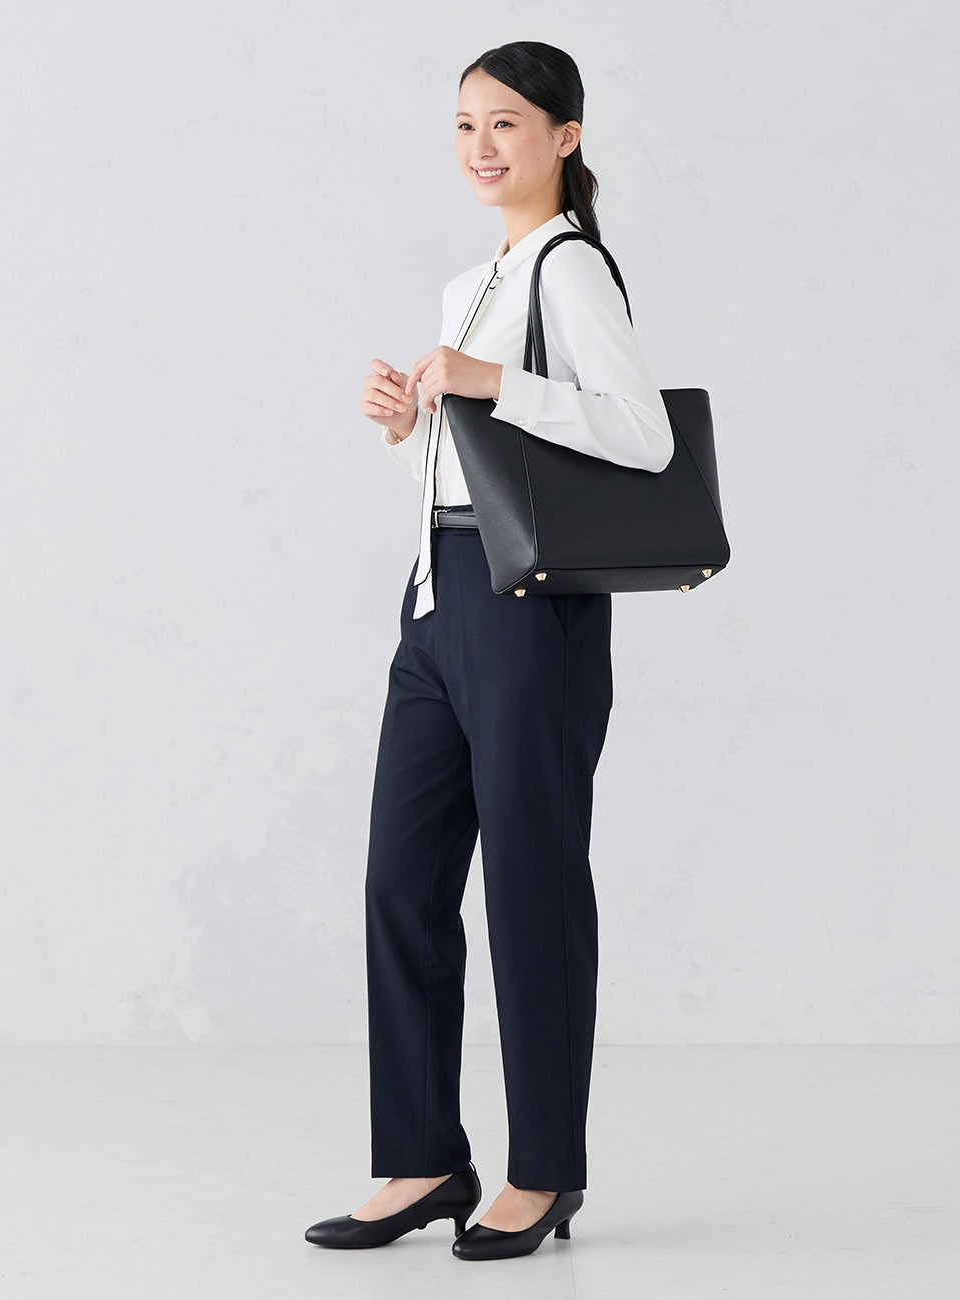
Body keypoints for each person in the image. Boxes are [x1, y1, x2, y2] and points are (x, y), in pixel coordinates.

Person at [305, 40, 672, 1262]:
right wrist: (409, 422)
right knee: (401, 881)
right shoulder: (470, 280)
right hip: (438, 599)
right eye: (465, 124)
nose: (481, 146)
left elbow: (642, 435)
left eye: (506, 123)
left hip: (529, 610)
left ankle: (544, 1173)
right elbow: (474, 463)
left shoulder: (571, 267)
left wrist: (492, 380)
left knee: (528, 885)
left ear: (565, 136)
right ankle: (422, 1158)